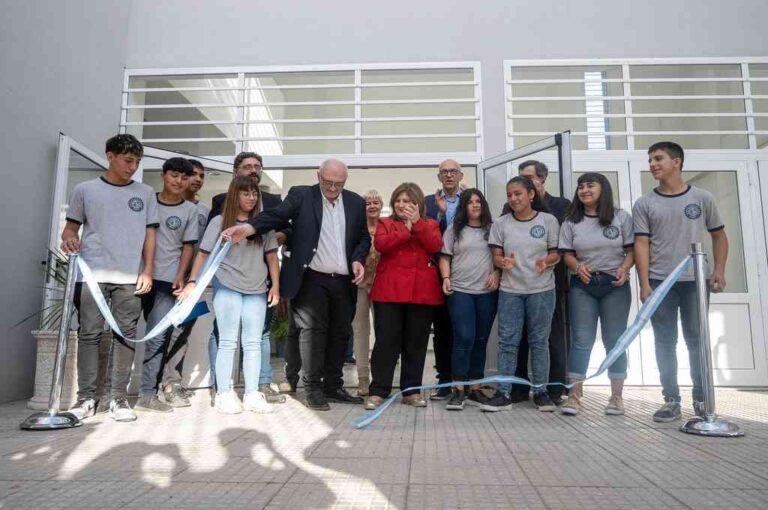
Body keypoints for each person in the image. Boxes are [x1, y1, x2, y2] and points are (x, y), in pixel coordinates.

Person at [221, 159, 370, 411]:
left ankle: (333, 386)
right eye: (328, 182)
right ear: (318, 175)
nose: (333, 189)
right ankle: (312, 388)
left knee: (339, 332)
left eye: (339, 184)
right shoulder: (301, 195)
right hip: (310, 278)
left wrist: (357, 259)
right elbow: (276, 215)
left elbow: (363, 237)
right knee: (312, 332)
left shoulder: (355, 202)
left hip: (343, 281)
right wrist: (248, 228)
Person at [61, 134, 158, 422]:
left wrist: (148, 270)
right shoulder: (84, 190)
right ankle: (86, 399)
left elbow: (150, 235)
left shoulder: (145, 193)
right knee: (89, 335)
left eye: (137, 162)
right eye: (128, 161)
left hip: (130, 277)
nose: (132, 167)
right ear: (110, 155)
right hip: (91, 276)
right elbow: (71, 228)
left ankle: (118, 398)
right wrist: (68, 239)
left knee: (125, 335)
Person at [633, 141, 728, 423]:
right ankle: (671, 399)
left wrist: (719, 270)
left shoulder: (702, 198)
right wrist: (644, 283)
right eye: (650, 160)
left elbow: (720, 236)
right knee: (664, 341)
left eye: (658, 158)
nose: (652, 164)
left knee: (696, 340)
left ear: (677, 162)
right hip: (660, 282)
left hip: (694, 283)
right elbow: (641, 244)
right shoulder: (645, 203)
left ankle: (702, 399)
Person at [180, 175, 280, 414]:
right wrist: (193, 280)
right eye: (245, 193)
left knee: (253, 342)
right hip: (227, 285)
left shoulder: (262, 224)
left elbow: (272, 257)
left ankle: (253, 393)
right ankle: (224, 392)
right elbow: (203, 254)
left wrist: (275, 286)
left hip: (257, 288)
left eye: (254, 193)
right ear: (235, 195)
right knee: (227, 341)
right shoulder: (218, 222)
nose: (251, 197)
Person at [207, 152, 289, 404]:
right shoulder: (221, 204)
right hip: (228, 279)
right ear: (235, 171)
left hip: (258, 279)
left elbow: (284, 232)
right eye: (247, 166)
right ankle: (221, 388)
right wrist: (197, 280)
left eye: (257, 166)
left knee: (258, 336)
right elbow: (209, 247)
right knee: (224, 336)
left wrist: (269, 236)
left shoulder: (273, 201)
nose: (253, 170)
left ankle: (259, 386)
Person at [482, 176, 561, 412]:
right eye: (509, 195)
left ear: (531, 195)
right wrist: (502, 262)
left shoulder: (549, 220)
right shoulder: (501, 224)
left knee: (539, 342)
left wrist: (546, 261)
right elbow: (496, 255)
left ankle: (541, 392)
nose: (513, 198)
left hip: (542, 290)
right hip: (510, 291)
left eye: (518, 193)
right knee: (508, 342)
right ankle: (504, 394)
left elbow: (556, 253)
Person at [558, 173, 634, 416]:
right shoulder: (571, 221)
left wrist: (625, 268)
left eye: (590, 185)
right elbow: (566, 254)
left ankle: (616, 397)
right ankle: (574, 396)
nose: (584, 190)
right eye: (581, 186)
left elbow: (632, 250)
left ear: (604, 189)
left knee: (615, 340)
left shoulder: (621, 217)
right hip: (583, 285)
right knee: (581, 340)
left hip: (615, 284)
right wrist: (577, 267)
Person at [365, 183, 443, 410]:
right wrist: (406, 230)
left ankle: (411, 391)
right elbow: (382, 245)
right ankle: (378, 391)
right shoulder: (385, 223)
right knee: (386, 344)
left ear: (418, 204)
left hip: (421, 293)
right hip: (389, 292)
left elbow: (435, 245)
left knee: (416, 344)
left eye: (408, 201)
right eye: (399, 200)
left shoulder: (430, 224)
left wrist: (417, 224)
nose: (403, 205)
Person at [136, 158, 198, 413]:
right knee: (123, 334)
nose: (179, 181)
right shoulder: (146, 201)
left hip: (167, 281)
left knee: (158, 336)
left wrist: (181, 276)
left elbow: (188, 246)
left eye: (184, 178)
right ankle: (111, 394)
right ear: (163, 175)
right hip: (136, 277)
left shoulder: (190, 210)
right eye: (174, 175)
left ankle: (147, 394)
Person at [507, 160, 571, 405]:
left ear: (542, 179)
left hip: (550, 284)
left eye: (529, 178)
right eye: (520, 177)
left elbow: (562, 243)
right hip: (518, 284)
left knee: (550, 339)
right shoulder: (509, 206)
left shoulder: (561, 206)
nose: (522, 184)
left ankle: (554, 390)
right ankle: (519, 390)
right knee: (519, 339)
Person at [439, 189, 499, 411]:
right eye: (470, 202)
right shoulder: (454, 230)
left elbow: (500, 257)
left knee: (481, 339)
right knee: (464, 338)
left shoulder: (493, 230)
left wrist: (498, 273)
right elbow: (444, 257)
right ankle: (458, 389)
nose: (475, 205)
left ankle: (475, 388)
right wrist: (446, 277)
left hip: (487, 293)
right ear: (463, 207)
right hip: (460, 291)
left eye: (478, 201)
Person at [157, 158, 209, 407]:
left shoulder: (205, 212)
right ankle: (153, 384)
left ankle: (172, 382)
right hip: (160, 279)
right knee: (159, 333)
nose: (196, 179)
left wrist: (195, 280)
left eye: (201, 175)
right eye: (192, 175)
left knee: (181, 333)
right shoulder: (157, 204)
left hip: (191, 285)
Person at [424, 159, 464, 400]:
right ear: (439, 177)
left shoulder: (472, 199)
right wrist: (439, 214)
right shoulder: (428, 202)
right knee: (442, 330)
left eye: (453, 172)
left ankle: (466, 381)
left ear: (460, 175)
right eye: (444, 172)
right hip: (438, 272)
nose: (449, 176)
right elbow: (426, 234)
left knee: (465, 329)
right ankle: (444, 381)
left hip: (469, 271)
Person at [351, 190, 383, 396]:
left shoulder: (388, 227)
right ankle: (363, 379)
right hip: (360, 286)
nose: (371, 206)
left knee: (383, 332)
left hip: (382, 286)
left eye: (375, 202)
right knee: (361, 332)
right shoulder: (356, 229)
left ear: (381, 205)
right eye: (367, 203)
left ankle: (381, 378)